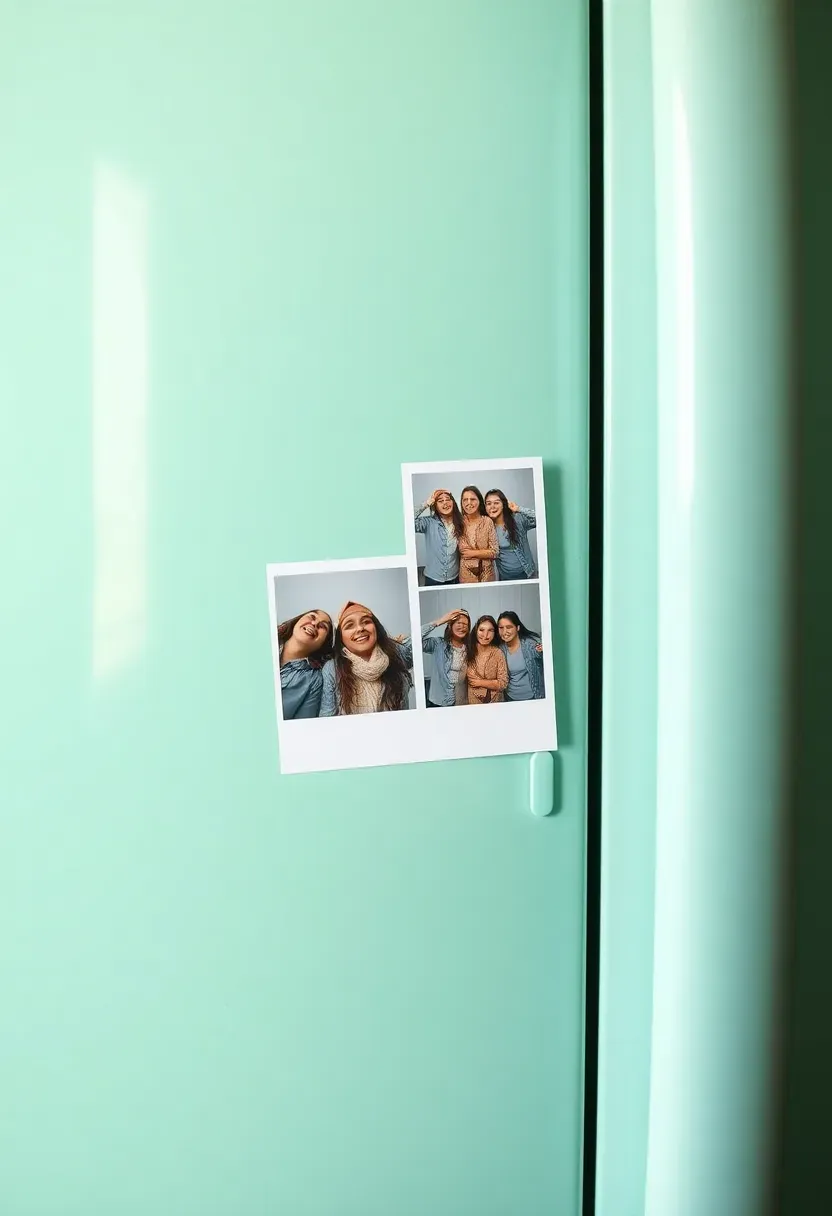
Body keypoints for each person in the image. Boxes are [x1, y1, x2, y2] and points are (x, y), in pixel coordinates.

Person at [320, 601, 413, 715]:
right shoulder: (332, 669)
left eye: (366, 622)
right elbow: (327, 717)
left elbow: (418, 644)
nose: (360, 628)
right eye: (349, 625)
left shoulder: (397, 655)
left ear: (376, 629)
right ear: (341, 638)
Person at [277, 609, 334, 718]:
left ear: (323, 643)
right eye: (312, 617)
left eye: (322, 626)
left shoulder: (314, 681)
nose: (314, 623)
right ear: (298, 620)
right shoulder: (264, 636)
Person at [484, 489, 538, 580]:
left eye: (496, 503)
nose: (492, 506)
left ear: (503, 505)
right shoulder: (487, 527)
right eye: (489, 504)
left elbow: (541, 518)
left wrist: (518, 509)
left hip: (527, 574)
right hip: (505, 577)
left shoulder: (517, 519)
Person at [421, 609, 471, 708]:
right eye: (459, 623)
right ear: (450, 625)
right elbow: (414, 640)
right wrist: (439, 622)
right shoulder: (438, 644)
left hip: (462, 700)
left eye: (466, 624)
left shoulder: (470, 647)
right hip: (439, 701)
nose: (462, 626)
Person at [413, 489, 464, 585]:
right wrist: (426, 503)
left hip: (454, 577)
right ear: (435, 505)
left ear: (453, 502)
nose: (445, 503)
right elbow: (406, 522)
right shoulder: (428, 523)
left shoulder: (461, 523)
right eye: (440, 501)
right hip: (433, 578)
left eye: (448, 499)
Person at [497, 611, 545, 701]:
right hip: (509, 698)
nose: (504, 632)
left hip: (532, 697)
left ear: (517, 627)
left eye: (509, 627)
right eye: (501, 628)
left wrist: (542, 651)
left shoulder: (530, 645)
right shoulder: (500, 649)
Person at [458, 485, 498, 583]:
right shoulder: (459, 522)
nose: (469, 503)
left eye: (473, 499)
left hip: (487, 575)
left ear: (479, 501)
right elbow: (463, 551)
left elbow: (495, 552)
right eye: (465, 500)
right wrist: (484, 552)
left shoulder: (487, 521)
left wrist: (472, 553)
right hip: (466, 576)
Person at [465, 614, 509, 704]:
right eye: (481, 630)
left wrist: (480, 682)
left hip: (495, 702)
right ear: (476, 631)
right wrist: (492, 683)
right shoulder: (468, 650)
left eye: (490, 630)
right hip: (473, 703)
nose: (485, 635)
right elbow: (470, 680)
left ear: (495, 633)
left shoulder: (498, 653)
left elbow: (503, 683)